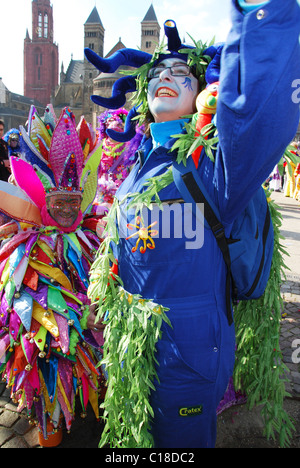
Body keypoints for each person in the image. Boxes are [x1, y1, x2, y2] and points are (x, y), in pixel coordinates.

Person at [86, 0, 300, 448]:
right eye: (159, 72)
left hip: (189, 357)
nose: (166, 75)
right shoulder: (137, 164)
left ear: (203, 92)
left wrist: (259, 17)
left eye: (182, 73)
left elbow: (255, 113)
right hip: (133, 352)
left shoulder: (217, 166)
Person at [0, 105, 105, 446]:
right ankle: (50, 426)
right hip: (47, 340)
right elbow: (23, 296)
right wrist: (64, 319)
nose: (65, 210)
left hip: (87, 336)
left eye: (72, 203)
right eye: (58, 202)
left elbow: (102, 277)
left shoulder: (91, 236)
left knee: (89, 379)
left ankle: (87, 413)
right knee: (48, 385)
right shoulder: (27, 244)